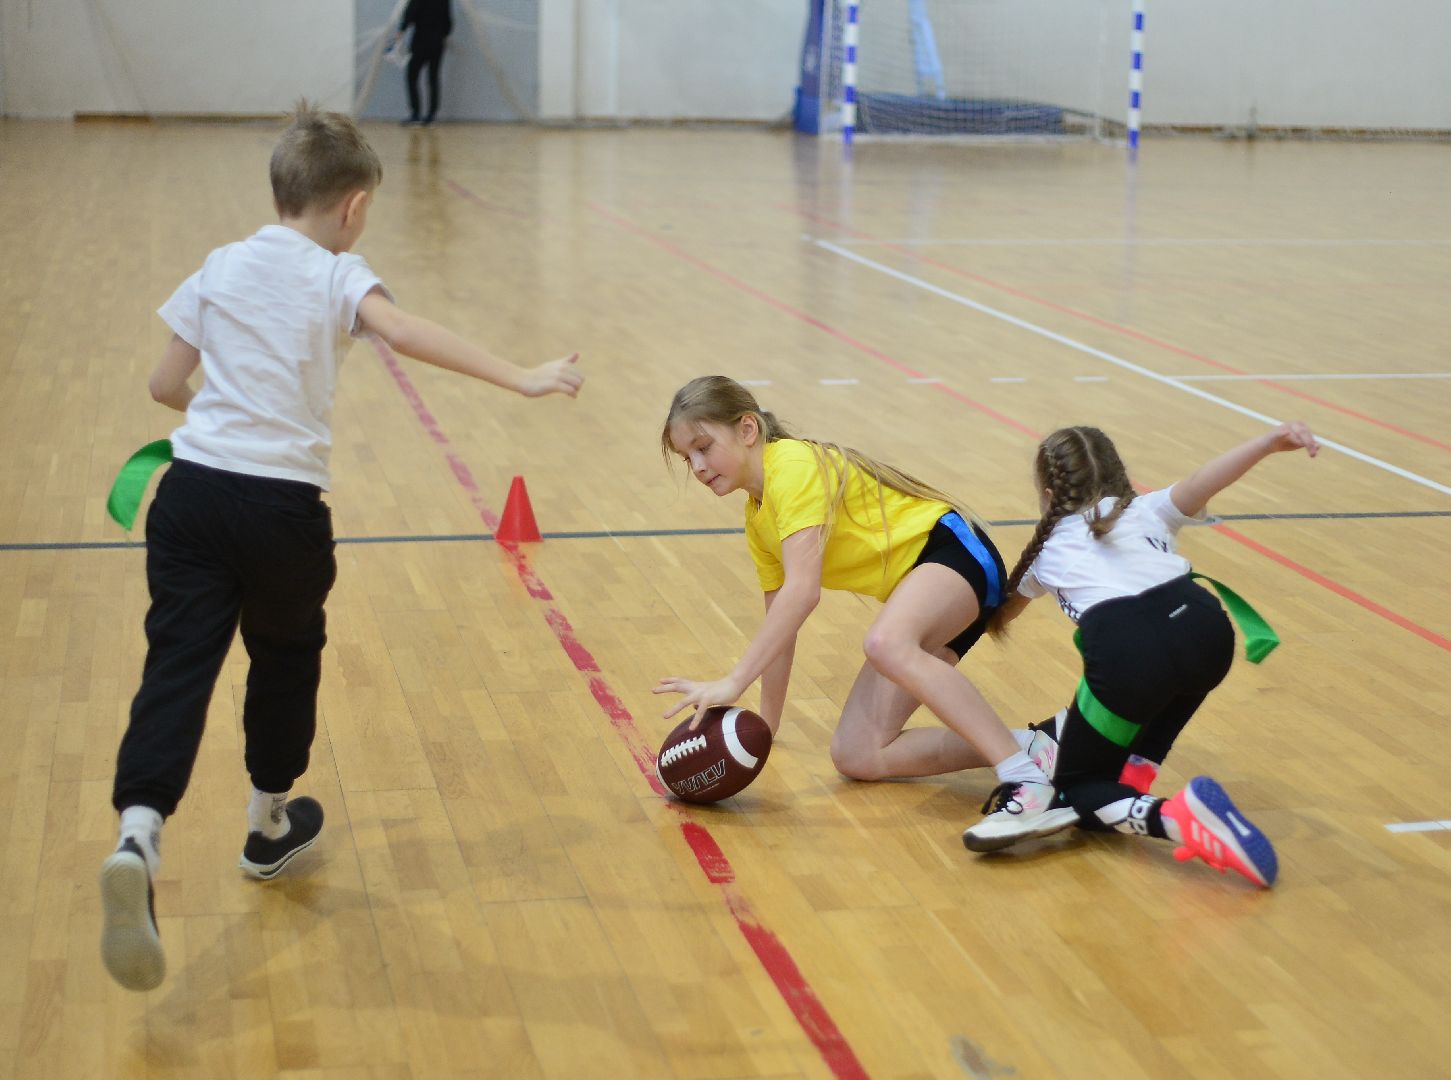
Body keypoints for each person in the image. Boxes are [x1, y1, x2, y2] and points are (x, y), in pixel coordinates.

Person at [99, 101, 584, 992]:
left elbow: (166, 383)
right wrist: (523, 376)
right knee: (285, 658)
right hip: (281, 510)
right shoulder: (337, 274)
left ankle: (138, 831)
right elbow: (401, 332)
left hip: (193, 495)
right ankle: (268, 821)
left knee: (177, 665)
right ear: (353, 206)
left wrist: (218, 410)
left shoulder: (219, 265)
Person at [654, 376, 1076, 849]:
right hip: (920, 591)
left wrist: (733, 681)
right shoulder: (757, 516)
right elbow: (781, 624)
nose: (696, 466)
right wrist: (764, 730)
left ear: (748, 429)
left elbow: (803, 593)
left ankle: (1025, 782)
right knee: (858, 755)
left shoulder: (790, 466)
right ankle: (1038, 747)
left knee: (885, 644)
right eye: (686, 456)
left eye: (703, 447)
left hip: (953, 554)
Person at [984, 421, 1320, 884]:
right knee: (1173, 686)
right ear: (1118, 472)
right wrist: (1267, 443)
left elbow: (998, 614)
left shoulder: (1044, 554)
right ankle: (1131, 780)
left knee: (1076, 790)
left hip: (1131, 653)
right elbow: (1207, 477)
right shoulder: (1148, 509)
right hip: (1206, 629)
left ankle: (1180, 818)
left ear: (1047, 493)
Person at [396, 0, 454, 126]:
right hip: (437, 42)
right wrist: (442, 35)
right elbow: (449, 22)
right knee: (433, 77)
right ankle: (431, 115)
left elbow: (410, 13)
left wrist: (401, 30)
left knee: (412, 76)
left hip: (420, 41)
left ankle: (416, 113)